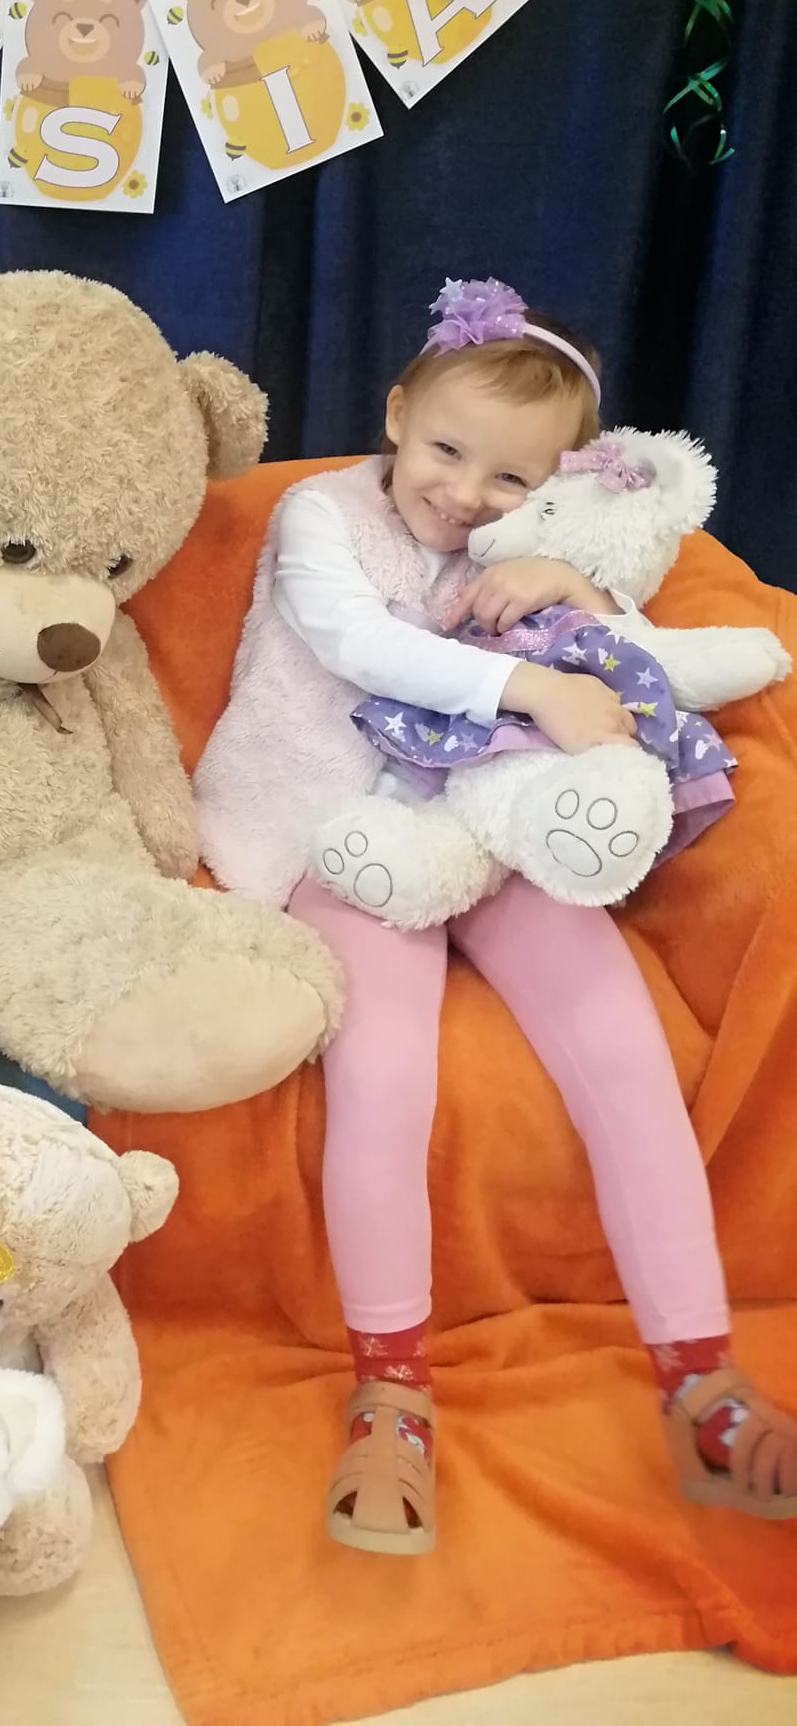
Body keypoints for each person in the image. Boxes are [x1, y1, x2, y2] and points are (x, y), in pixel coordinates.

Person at [193, 276, 797, 1552]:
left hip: (499, 827)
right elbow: (357, 644)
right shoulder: (320, 515)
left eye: (508, 477)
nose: (464, 492)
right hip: (345, 838)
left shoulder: (534, 545)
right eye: (444, 451)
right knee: (385, 1072)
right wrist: (527, 683)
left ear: (554, 481)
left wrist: (570, 585)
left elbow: (628, 659)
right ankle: (390, 1387)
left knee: (623, 1053)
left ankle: (698, 1379)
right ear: (395, 414)